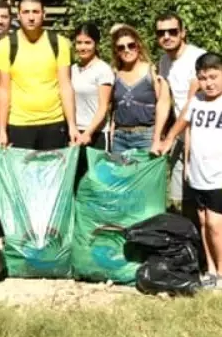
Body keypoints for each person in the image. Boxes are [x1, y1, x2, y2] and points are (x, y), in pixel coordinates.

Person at [162, 53, 222, 292]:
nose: (209, 83)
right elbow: (187, 127)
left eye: (213, 77)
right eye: (203, 78)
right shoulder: (197, 101)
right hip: (198, 174)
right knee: (203, 222)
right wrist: (184, 160)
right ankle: (210, 270)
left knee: (216, 224)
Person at [0, 0, 76, 150]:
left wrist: (72, 125)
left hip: (54, 122)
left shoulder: (59, 43)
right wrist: (2, 130)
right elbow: (3, 91)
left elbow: (65, 86)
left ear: (43, 14)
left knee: (53, 174)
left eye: (35, 12)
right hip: (19, 124)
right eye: (26, 12)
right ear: (18, 15)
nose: (31, 17)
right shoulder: (6, 46)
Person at [156, 12, 207, 202]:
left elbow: (191, 103)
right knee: (181, 195)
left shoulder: (197, 57)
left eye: (172, 31)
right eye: (161, 33)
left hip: (200, 132)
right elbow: (164, 99)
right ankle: (185, 229)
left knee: (199, 193)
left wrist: (169, 137)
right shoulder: (164, 61)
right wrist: (157, 137)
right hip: (181, 131)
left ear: (183, 33)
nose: (167, 36)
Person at [109, 26, 170, 154]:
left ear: (138, 46)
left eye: (131, 45)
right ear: (116, 51)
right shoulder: (115, 74)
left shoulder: (152, 71)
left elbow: (163, 104)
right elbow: (114, 107)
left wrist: (158, 136)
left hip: (146, 137)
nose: (127, 50)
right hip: (120, 138)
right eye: (121, 47)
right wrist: (112, 130)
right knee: (120, 174)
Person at [71, 23, 114, 150]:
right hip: (75, 132)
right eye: (79, 43)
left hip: (96, 134)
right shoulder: (72, 69)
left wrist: (87, 133)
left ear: (96, 44)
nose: (83, 47)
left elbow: (103, 107)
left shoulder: (103, 70)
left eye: (87, 43)